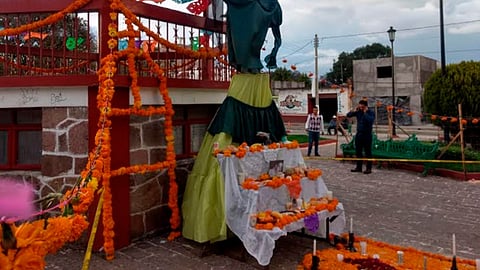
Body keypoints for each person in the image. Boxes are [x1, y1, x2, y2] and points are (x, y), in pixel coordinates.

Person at [347, 100, 375, 174]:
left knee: (368, 152)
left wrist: (365, 112)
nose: (360, 107)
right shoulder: (358, 112)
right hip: (359, 134)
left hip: (367, 135)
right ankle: (358, 167)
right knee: (358, 151)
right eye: (359, 105)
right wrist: (353, 110)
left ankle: (369, 168)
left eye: (362, 106)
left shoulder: (370, 112)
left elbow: (370, 121)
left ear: (365, 106)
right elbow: (348, 115)